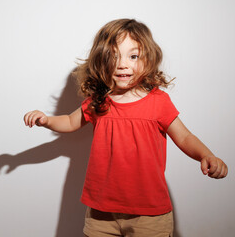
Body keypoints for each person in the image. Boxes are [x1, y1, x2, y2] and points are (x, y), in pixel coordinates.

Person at [23, 19, 228, 237]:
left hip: (149, 214)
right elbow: (71, 122)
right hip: (101, 212)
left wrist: (207, 155)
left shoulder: (158, 101)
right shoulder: (99, 101)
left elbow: (184, 137)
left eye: (133, 56)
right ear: (102, 60)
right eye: (113, 56)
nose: (123, 64)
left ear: (147, 59)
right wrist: (46, 120)